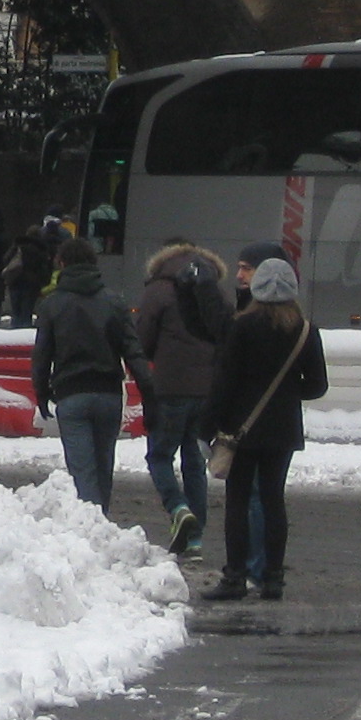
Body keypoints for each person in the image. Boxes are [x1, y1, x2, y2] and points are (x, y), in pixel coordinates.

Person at [204, 254, 328, 603]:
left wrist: (208, 424)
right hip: (283, 430)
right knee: (274, 500)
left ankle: (234, 578)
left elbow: (223, 382)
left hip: (241, 429)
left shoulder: (241, 327)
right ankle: (273, 579)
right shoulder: (305, 330)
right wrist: (287, 396)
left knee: (238, 501)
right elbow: (317, 386)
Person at [129, 235, 232, 555]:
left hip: (170, 387)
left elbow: (141, 341)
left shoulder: (157, 290)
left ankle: (178, 509)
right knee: (193, 459)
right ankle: (195, 537)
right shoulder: (214, 289)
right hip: (208, 389)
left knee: (159, 455)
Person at [30, 236, 135, 508]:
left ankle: (90, 528)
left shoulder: (52, 304)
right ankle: (102, 523)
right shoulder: (114, 301)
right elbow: (132, 349)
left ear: (61, 264)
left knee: (82, 472)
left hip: (71, 394)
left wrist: (41, 392)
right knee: (103, 466)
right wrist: (148, 390)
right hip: (109, 393)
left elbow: (42, 354)